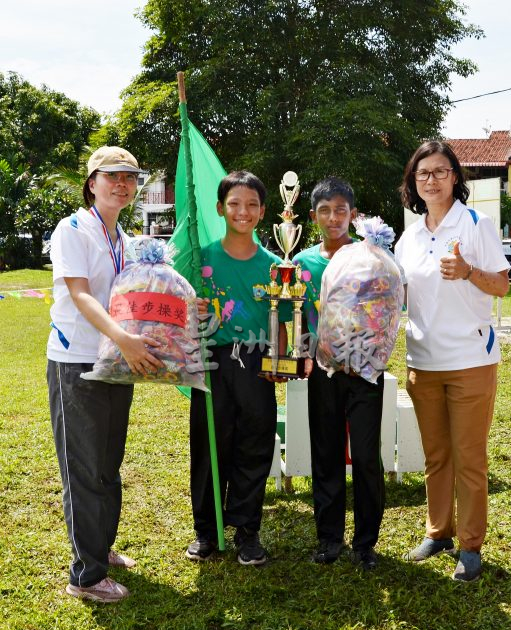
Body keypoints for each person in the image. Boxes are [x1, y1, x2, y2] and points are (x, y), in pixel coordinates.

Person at [47, 146, 163, 602]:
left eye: (131, 178)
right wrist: (125, 338)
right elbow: (80, 294)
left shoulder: (122, 239)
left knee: (108, 462)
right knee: (83, 468)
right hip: (76, 360)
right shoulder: (73, 229)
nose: (123, 184)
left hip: (114, 360)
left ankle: (101, 547)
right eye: (112, 175)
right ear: (92, 182)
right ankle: (86, 576)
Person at [395, 140, 510, 582]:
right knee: (436, 454)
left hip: (470, 359)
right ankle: (438, 531)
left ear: (455, 177)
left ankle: (470, 544)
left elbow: (501, 285)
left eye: (440, 171)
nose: (431, 180)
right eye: (423, 173)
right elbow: (403, 294)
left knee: (469, 456)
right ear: (414, 182)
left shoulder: (476, 224)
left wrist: (468, 273)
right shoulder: (410, 235)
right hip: (422, 361)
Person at [187, 171, 289, 566]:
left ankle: (247, 530)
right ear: (220, 208)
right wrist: (191, 308)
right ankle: (207, 532)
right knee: (210, 445)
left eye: (250, 205)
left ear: (262, 212)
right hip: (210, 361)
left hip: (256, 363)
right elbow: (181, 312)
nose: (242, 211)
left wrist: (279, 360)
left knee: (254, 443)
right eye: (234, 204)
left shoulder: (273, 265)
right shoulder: (202, 259)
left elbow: (279, 319)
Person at [293, 177, 385, 571]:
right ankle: (329, 537)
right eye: (325, 211)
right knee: (326, 452)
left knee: (365, 456)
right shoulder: (302, 264)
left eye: (341, 210)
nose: (334, 218)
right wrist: (305, 351)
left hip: (365, 370)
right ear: (313, 217)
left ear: (354, 215)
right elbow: (295, 317)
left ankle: (365, 542)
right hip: (322, 373)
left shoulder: (370, 258)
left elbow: (384, 309)